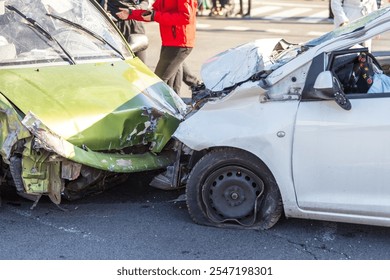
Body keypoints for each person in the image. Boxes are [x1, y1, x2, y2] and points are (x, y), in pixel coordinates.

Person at [116, 0, 200, 95]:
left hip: (180, 42)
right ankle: (192, 91)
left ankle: (195, 88)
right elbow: (152, 11)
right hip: (170, 41)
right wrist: (130, 14)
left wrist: (155, 16)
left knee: (158, 83)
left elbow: (185, 17)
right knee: (167, 86)